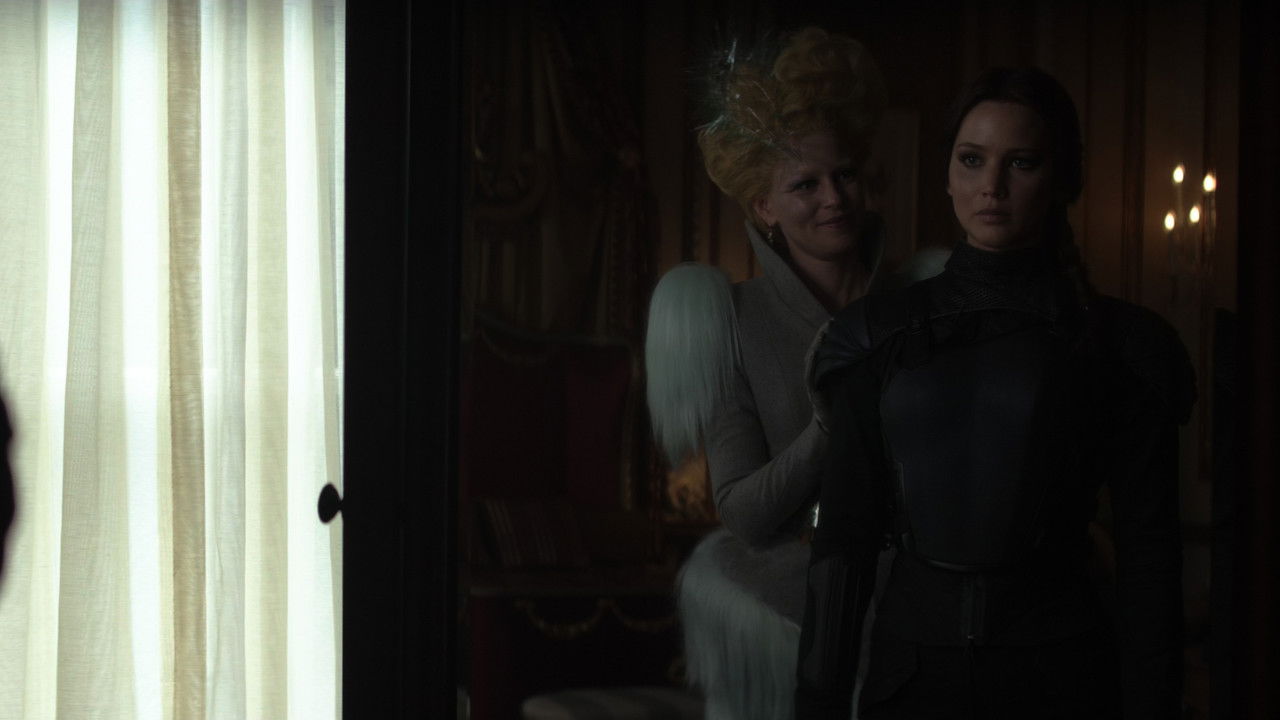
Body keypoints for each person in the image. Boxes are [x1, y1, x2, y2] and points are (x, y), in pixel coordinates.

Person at [795, 67, 1195, 719]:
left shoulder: (1120, 346)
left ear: (1061, 178)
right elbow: (843, 542)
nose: (992, 187)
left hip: (1062, 680)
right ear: (947, 174)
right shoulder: (877, 336)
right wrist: (817, 707)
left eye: (1021, 163)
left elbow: (1150, 557)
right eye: (972, 160)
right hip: (911, 682)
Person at [645, 27, 887, 720]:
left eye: (844, 174)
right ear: (764, 206)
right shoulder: (731, 320)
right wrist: (824, 429)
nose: (833, 197)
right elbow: (744, 513)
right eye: (805, 184)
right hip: (783, 616)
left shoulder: (920, 302)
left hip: (913, 623)